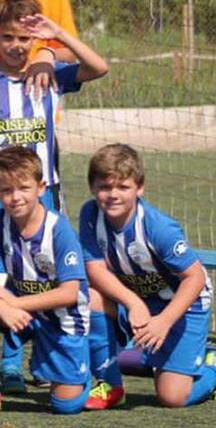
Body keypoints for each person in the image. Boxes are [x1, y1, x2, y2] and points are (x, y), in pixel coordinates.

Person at [0, 0, 107, 393]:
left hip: (41, 196)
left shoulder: (48, 73)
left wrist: (56, 36)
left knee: (35, 276)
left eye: (24, 38)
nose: (16, 46)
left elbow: (99, 67)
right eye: (8, 38)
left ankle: (17, 363)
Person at [79, 144, 216, 409]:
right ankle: (110, 383)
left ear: (139, 188)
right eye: (105, 187)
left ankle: (211, 366)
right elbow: (94, 269)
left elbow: (195, 278)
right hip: (140, 300)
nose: (113, 195)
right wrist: (134, 303)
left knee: (172, 397)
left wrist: (164, 321)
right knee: (85, 297)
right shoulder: (90, 214)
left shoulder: (157, 227)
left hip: (184, 305)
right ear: (93, 187)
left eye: (123, 187)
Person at [0, 146, 92, 420]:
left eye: (24, 188)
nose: (15, 197)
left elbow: (70, 293)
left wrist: (15, 302)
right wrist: (4, 307)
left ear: (41, 187)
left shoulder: (60, 231)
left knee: (65, 406)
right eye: (7, 190)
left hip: (62, 318)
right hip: (21, 312)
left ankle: (85, 369)